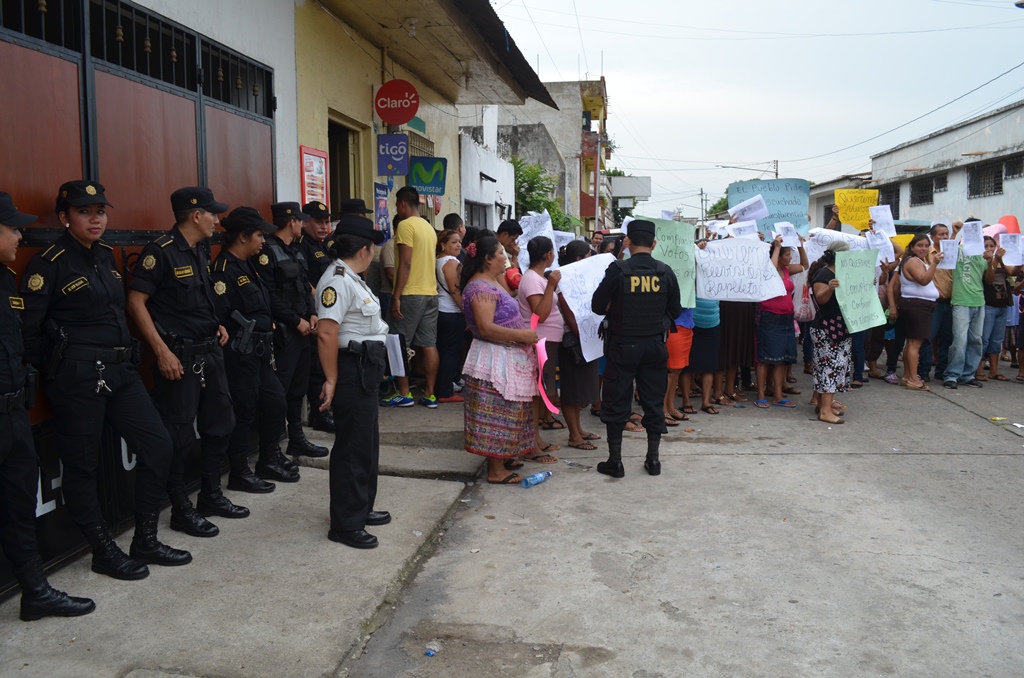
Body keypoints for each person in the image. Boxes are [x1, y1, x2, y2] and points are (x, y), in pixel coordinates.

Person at [22, 181, 189, 580]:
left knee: (159, 445)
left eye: (100, 210)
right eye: (84, 211)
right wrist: (62, 371)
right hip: (79, 378)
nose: (95, 218)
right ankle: (102, 549)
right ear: (64, 218)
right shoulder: (48, 264)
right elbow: (29, 332)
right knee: (82, 468)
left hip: (120, 371)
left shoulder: (106, 256)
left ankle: (146, 538)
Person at [128, 186, 244, 538]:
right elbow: (136, 303)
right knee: (178, 438)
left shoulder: (199, 250)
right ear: (196, 215)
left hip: (209, 352)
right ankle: (181, 509)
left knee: (219, 425)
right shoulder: (160, 252)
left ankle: (210, 495)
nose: (217, 219)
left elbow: (195, 302)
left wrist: (216, 325)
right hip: (180, 359)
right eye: (213, 213)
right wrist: (161, 350)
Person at [0, 192, 94, 620]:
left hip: (13, 415)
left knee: (18, 506)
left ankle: (35, 591)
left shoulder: (5, 278)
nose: (21, 235)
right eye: (13, 227)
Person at [315, 213, 392, 549]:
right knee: (351, 448)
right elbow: (327, 332)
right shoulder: (336, 281)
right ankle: (346, 524)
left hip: (366, 366)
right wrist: (331, 378)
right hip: (350, 368)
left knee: (367, 444)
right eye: (372, 247)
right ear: (363, 250)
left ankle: (361, 508)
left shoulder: (353, 278)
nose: (373, 253)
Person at [592, 220, 682, 478]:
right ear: (653, 244)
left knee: (617, 401)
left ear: (628, 242)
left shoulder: (618, 269)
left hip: (622, 346)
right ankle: (653, 461)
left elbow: (597, 306)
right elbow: (675, 310)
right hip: (655, 345)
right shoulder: (665, 272)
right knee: (654, 403)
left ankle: (615, 462)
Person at [211, 207, 290, 495]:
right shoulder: (223, 271)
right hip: (239, 353)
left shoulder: (249, 264)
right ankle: (239, 471)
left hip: (260, 351)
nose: (263, 241)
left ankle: (269, 458)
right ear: (242, 237)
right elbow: (219, 318)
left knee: (275, 401)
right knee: (243, 412)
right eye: (258, 235)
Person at [460, 237, 539, 485]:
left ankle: (503, 458)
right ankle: (495, 470)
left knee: (510, 411)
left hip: (505, 355)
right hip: (494, 357)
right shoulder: (480, 288)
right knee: (497, 412)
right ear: (488, 258)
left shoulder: (492, 282)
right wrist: (522, 335)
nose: (505, 258)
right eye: (501, 254)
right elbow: (484, 328)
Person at [256, 201, 328, 459]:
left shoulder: (297, 251)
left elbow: (304, 286)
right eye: (300, 220)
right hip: (285, 333)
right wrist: (296, 321)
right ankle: (272, 449)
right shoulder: (267, 252)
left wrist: (312, 313)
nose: (302, 224)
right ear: (292, 222)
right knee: (280, 393)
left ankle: (296, 438)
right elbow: (270, 295)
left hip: (303, 330)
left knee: (298, 388)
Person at [385, 186, 440, 409]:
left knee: (398, 343)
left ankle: (405, 393)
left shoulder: (405, 226)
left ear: (403, 204)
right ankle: (430, 394)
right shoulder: (429, 228)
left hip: (410, 293)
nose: (397, 209)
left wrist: (396, 295)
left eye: (397, 205)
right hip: (430, 293)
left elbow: (405, 263)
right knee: (428, 344)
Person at [519, 236, 564, 459]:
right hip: (539, 342)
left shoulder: (537, 278)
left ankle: (535, 440)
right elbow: (541, 314)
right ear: (548, 255)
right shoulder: (532, 280)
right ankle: (531, 444)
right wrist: (552, 286)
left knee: (540, 393)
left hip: (546, 342)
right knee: (536, 394)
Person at [556, 241, 602, 450]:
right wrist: (586, 335)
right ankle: (574, 435)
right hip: (574, 341)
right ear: (578, 259)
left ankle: (579, 430)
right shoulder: (563, 280)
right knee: (572, 390)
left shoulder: (581, 277)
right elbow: (570, 316)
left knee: (582, 390)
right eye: (587, 256)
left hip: (587, 338)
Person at [296, 200, 336, 434]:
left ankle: (323, 411)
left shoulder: (324, 246)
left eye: (326, 222)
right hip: (313, 313)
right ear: (305, 223)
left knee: (323, 365)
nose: (324, 227)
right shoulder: (302, 245)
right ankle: (318, 414)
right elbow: (305, 281)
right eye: (318, 222)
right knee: (316, 368)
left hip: (325, 312)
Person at [755, 235, 808, 408]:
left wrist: (800, 246)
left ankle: (778, 394)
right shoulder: (766, 269)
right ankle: (761, 394)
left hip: (786, 318)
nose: (790, 258)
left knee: (781, 359)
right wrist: (777, 247)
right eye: (787, 255)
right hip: (770, 317)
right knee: (765, 358)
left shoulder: (787, 270)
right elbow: (771, 268)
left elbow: (805, 265)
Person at [809, 240, 852, 424]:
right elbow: (820, 298)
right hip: (827, 327)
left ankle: (822, 404)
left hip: (841, 326)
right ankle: (825, 411)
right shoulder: (824, 273)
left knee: (835, 367)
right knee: (829, 368)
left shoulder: (845, 272)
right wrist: (830, 287)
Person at [894, 234, 942, 391]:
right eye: (920, 245)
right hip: (917, 307)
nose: (924, 248)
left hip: (917, 306)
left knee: (911, 343)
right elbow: (923, 280)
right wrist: (934, 264)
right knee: (915, 344)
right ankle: (914, 378)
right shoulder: (913, 261)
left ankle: (908, 376)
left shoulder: (915, 260)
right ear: (912, 247)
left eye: (926, 245)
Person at [943, 225, 987, 390]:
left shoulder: (983, 254)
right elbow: (947, 252)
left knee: (976, 340)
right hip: (961, 301)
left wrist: (993, 259)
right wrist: (954, 232)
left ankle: (968, 375)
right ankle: (952, 375)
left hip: (979, 301)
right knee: (960, 340)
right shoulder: (959, 249)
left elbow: (987, 278)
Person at [977, 236, 1016, 381]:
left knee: (997, 339)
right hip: (989, 304)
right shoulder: (981, 261)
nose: (989, 249)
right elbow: (989, 278)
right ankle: (978, 368)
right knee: (984, 339)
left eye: (991, 246)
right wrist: (993, 260)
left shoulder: (1001, 260)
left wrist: (1017, 258)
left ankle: (994, 370)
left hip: (1003, 304)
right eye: (985, 246)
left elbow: (1013, 272)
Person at [434, 229, 465, 403]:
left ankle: (443, 387)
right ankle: (445, 391)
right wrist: (467, 313)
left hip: (441, 311)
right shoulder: (451, 262)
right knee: (450, 353)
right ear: (443, 245)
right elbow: (455, 290)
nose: (458, 245)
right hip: (451, 312)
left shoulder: (438, 260)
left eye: (459, 241)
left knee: (444, 351)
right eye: (453, 242)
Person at [926, 220, 953, 381]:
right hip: (933, 303)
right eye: (941, 234)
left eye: (946, 234)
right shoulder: (928, 254)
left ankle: (941, 371)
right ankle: (923, 371)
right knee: (929, 338)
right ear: (932, 237)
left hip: (949, 302)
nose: (944, 237)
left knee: (947, 339)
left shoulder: (952, 253)